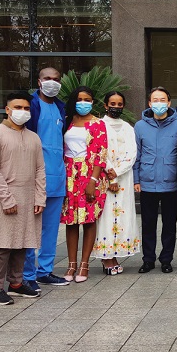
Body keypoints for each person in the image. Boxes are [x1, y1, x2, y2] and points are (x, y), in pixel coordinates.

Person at [0, 92, 46, 305]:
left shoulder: (33, 137)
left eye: (26, 108)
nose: (22, 112)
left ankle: (16, 283)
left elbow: (40, 169)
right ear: (7, 110)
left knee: (23, 243)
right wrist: (6, 199)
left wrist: (40, 197)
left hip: (29, 196)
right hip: (4, 197)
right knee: (2, 246)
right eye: (18, 107)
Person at [24, 66, 69, 290]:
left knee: (50, 229)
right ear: (39, 82)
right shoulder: (30, 106)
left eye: (56, 79)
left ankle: (45, 271)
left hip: (57, 176)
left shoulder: (61, 107)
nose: (52, 82)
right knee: (30, 229)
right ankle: (27, 274)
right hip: (34, 177)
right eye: (48, 78)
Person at [61, 85, 108, 283]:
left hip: (90, 175)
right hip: (68, 174)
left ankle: (84, 264)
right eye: (79, 99)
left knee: (89, 219)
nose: (83, 103)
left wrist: (93, 181)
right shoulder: (67, 121)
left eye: (87, 100)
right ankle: (71, 264)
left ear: (93, 102)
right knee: (70, 220)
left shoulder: (98, 124)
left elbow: (101, 154)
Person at [92, 90, 140, 274]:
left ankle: (117, 254)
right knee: (106, 216)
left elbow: (132, 153)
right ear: (105, 105)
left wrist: (118, 173)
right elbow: (99, 151)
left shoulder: (128, 128)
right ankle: (106, 257)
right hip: (104, 176)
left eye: (120, 104)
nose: (116, 107)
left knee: (123, 215)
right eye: (112, 104)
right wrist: (111, 176)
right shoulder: (99, 125)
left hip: (124, 178)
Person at [134, 86, 177, 274]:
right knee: (148, 224)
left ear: (169, 103)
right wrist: (136, 179)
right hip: (147, 183)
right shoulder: (140, 126)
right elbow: (136, 155)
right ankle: (148, 260)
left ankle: (166, 260)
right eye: (155, 100)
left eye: (163, 100)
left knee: (169, 225)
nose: (159, 103)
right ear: (149, 103)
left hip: (171, 183)